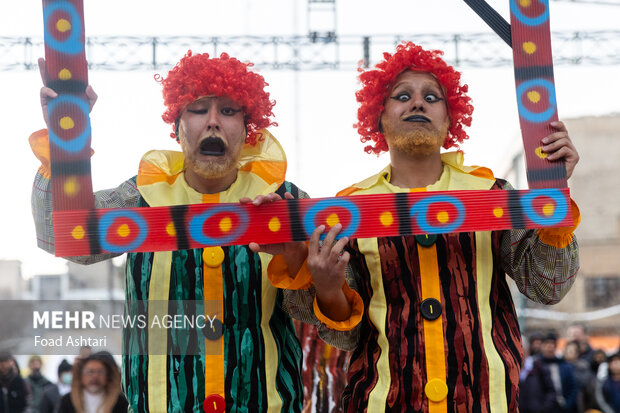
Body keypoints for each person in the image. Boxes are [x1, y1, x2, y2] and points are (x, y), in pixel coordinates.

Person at [275, 42, 581, 412]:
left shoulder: (491, 195)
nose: (417, 103)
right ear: (378, 117)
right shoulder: (350, 209)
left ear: (451, 119)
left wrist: (556, 196)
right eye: (402, 96)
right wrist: (325, 287)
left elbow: (547, 284)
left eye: (432, 97)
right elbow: (348, 335)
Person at [31, 51, 309, 412]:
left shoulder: (283, 202)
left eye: (227, 111)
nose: (212, 122)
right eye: (197, 110)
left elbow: (328, 317)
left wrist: (302, 265)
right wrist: (64, 142)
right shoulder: (141, 197)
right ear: (177, 125)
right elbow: (63, 238)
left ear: (247, 127)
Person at [56, 352, 127, 413]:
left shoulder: (119, 401)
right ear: (81, 376)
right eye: (90, 372)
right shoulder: (68, 400)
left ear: (108, 376)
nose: (95, 376)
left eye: (100, 372)